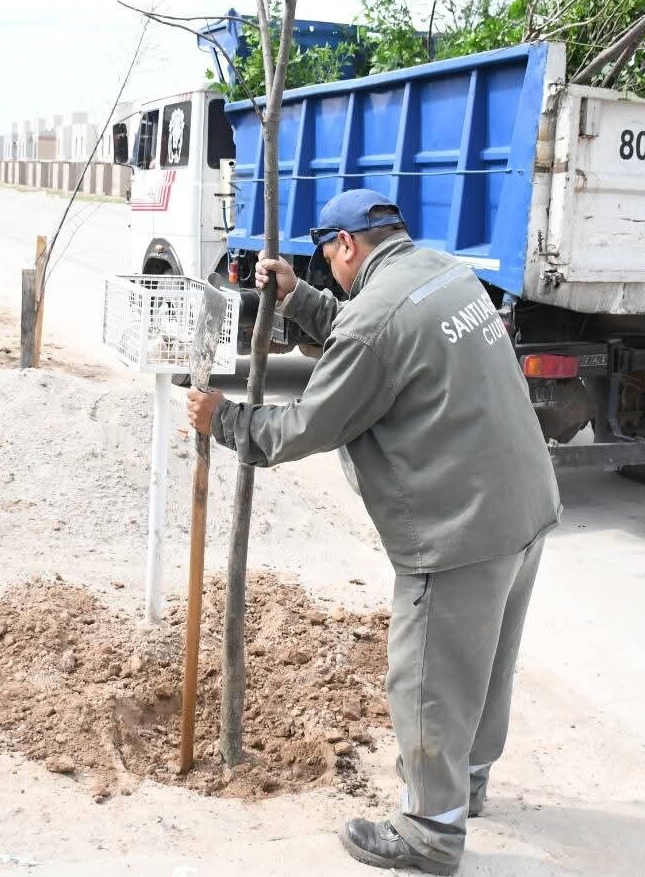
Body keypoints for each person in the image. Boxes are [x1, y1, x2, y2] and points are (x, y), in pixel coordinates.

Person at [186, 189, 561, 876]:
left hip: (458, 528)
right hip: (523, 505)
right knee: (485, 663)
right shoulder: (443, 273)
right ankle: (467, 783)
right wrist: (300, 298)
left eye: (326, 258)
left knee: (429, 681)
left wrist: (226, 421)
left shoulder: (375, 320)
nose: (329, 273)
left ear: (346, 245)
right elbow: (376, 333)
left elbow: (308, 424)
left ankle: (429, 831)